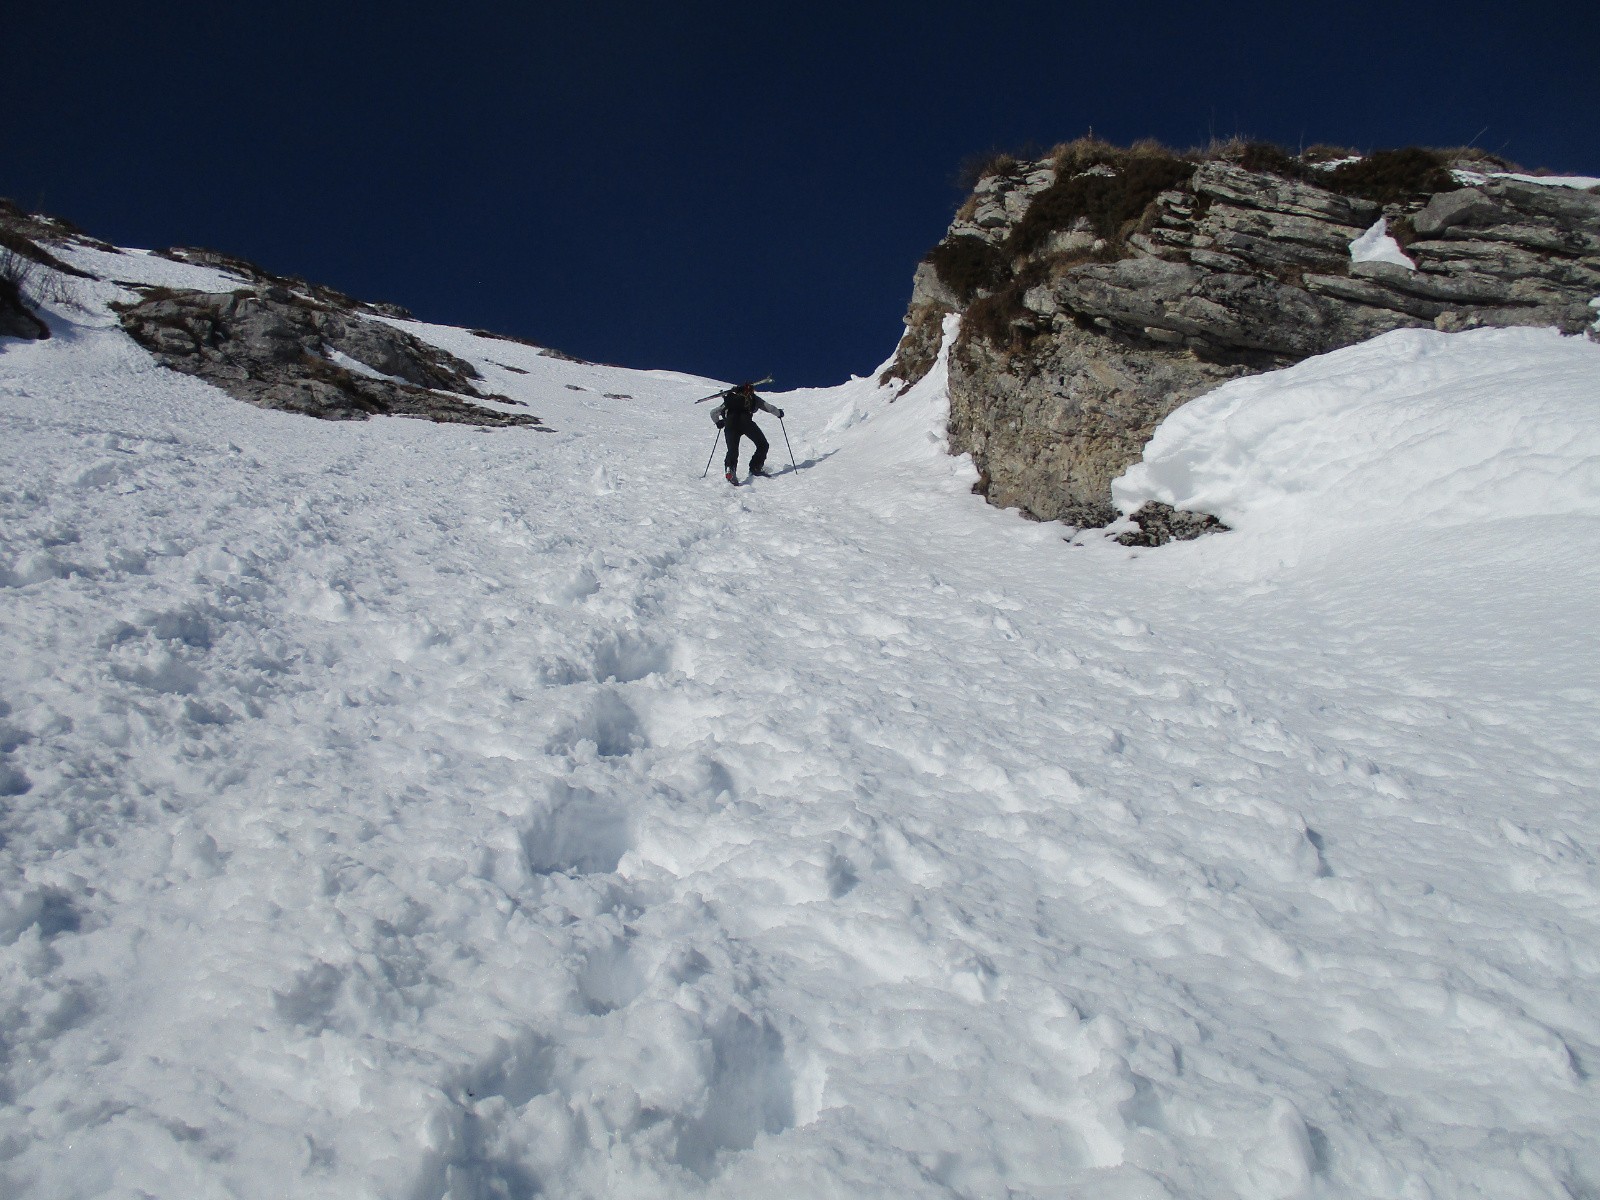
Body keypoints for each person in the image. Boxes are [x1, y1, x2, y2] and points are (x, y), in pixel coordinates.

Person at [711, 382, 784, 483]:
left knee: (732, 449)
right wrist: (779, 413)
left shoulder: (730, 399)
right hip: (746, 422)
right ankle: (755, 467)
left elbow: (713, 412)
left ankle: (730, 469)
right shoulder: (752, 398)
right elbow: (770, 408)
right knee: (762, 444)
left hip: (730, 424)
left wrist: (718, 423)